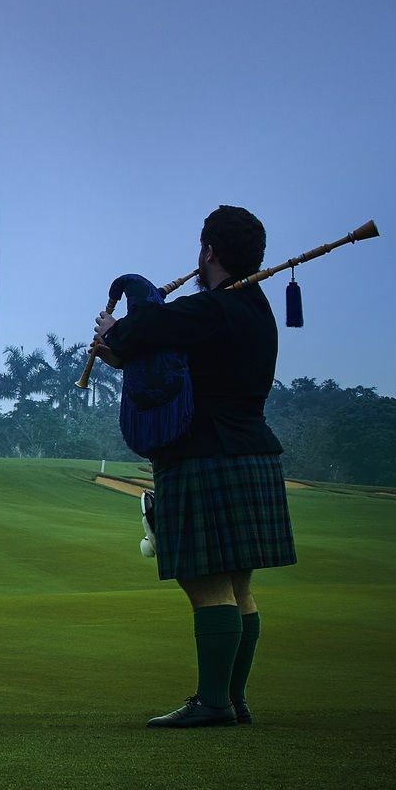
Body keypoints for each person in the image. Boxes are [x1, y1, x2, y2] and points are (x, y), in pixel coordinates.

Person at [93, 205, 295, 729]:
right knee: (238, 587)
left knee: (205, 583)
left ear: (209, 251)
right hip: (252, 452)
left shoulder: (213, 309)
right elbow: (170, 357)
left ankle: (213, 703)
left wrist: (116, 331)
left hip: (206, 456)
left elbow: (152, 326)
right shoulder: (256, 309)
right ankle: (233, 698)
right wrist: (127, 348)